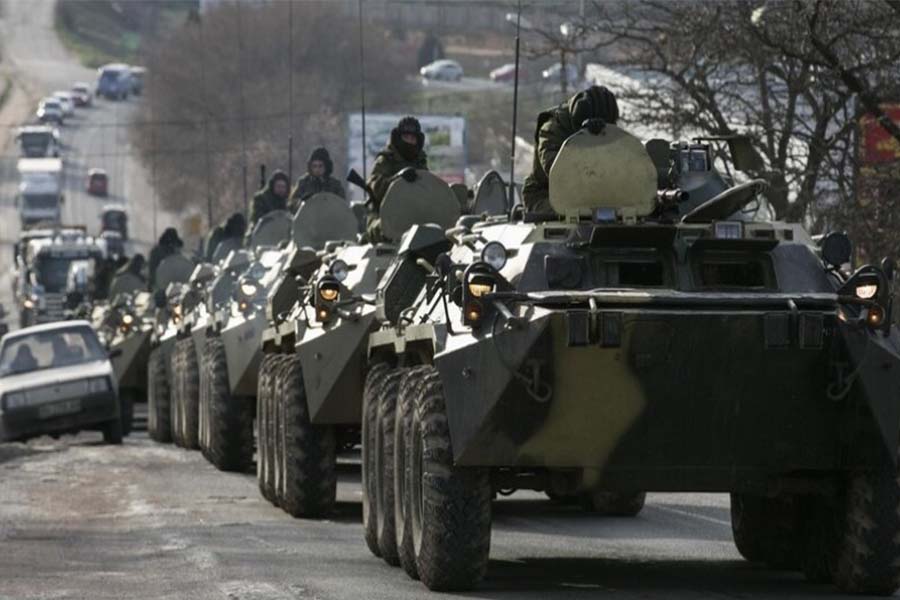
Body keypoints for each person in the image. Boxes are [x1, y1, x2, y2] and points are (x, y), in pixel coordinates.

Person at [522, 85, 620, 214]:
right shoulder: (552, 128)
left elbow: (621, 163)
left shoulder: (606, 129)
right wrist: (584, 138)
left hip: (594, 196)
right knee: (576, 213)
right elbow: (558, 173)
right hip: (546, 195)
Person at [365, 116, 428, 240]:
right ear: (398, 137)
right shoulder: (386, 159)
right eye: (406, 137)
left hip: (415, 219)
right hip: (383, 218)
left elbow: (428, 190)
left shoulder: (420, 162)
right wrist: (397, 179)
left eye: (412, 138)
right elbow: (374, 187)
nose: (409, 141)